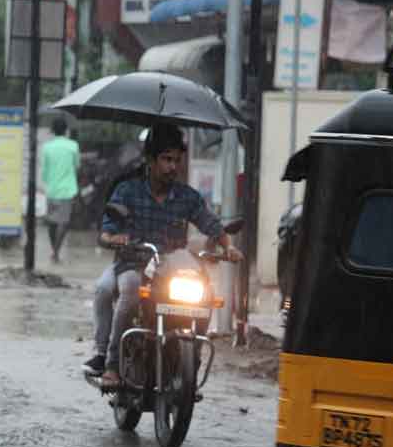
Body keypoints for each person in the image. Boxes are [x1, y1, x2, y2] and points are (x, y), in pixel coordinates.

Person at [81, 124, 243, 388]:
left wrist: (228, 247)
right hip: (132, 262)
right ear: (150, 160)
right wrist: (116, 239)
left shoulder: (187, 197)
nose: (172, 166)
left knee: (206, 294)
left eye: (177, 160)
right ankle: (110, 361)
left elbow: (210, 223)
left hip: (171, 267)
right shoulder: (128, 190)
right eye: (167, 159)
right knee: (125, 290)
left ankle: (194, 355)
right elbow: (106, 232)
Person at [42, 118, 80, 263]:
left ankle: (54, 250)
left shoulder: (47, 147)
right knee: (63, 222)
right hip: (67, 189)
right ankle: (56, 251)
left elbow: (44, 170)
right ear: (66, 131)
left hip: (51, 189)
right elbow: (76, 166)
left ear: (53, 131)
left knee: (52, 222)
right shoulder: (73, 146)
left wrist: (48, 182)